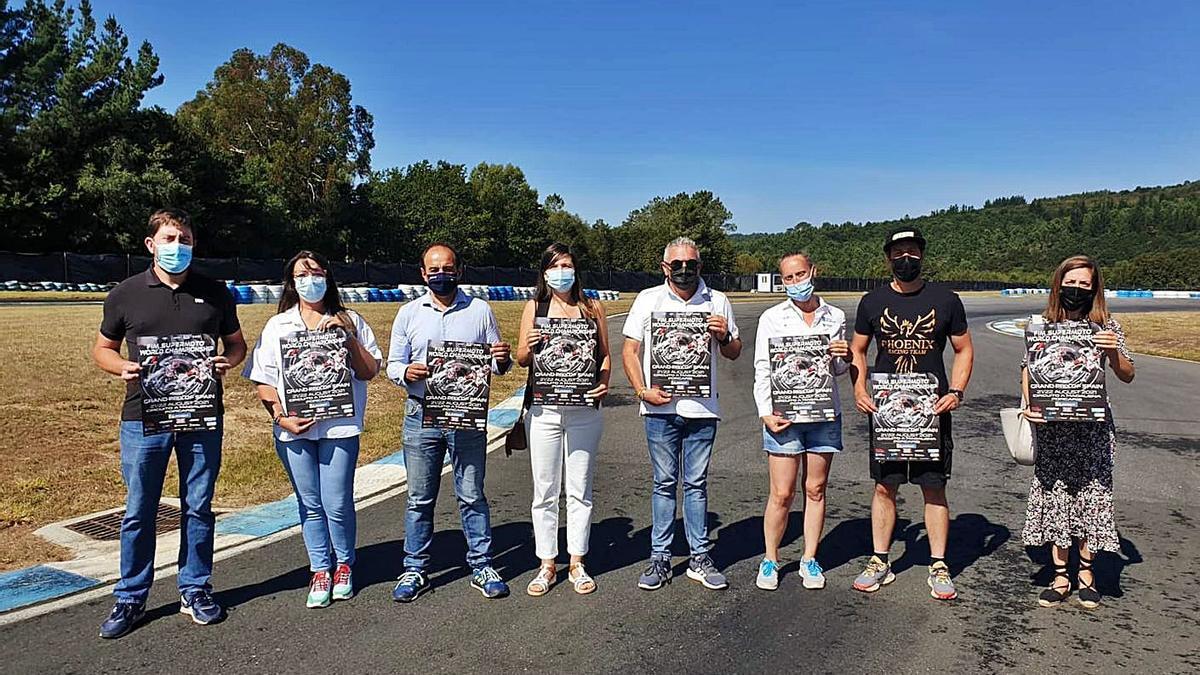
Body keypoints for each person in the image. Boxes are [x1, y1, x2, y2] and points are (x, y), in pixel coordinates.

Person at [92, 208, 246, 639]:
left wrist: (227, 362)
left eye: (185, 239)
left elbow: (237, 345)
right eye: (169, 238)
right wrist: (119, 366)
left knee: (198, 505)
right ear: (151, 244)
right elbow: (102, 349)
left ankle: (195, 588)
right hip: (144, 418)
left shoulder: (215, 293)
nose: (177, 246)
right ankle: (131, 595)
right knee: (140, 509)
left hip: (200, 414)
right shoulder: (125, 293)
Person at [244, 251, 382, 608]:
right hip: (294, 430)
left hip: (339, 428)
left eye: (317, 272)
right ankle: (321, 567)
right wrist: (279, 416)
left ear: (328, 277)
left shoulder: (350, 319)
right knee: (309, 503)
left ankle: (345, 564)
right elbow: (263, 378)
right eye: (302, 275)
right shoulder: (279, 326)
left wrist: (348, 337)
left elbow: (369, 371)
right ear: (291, 282)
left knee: (336, 502)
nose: (310, 280)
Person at [849, 226, 974, 601]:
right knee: (884, 485)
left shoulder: (946, 300)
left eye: (912, 252)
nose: (906, 259)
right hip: (886, 412)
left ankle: (938, 564)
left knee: (933, 486)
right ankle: (880, 560)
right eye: (899, 252)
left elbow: (964, 349)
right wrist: (858, 388)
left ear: (922, 254)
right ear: (888, 257)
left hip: (931, 411)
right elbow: (857, 350)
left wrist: (956, 391)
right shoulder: (871, 302)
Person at [386, 243, 513, 602]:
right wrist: (406, 372)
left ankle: (483, 564)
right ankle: (415, 568)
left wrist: (501, 359)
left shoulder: (480, 310)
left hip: (466, 413)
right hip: (421, 411)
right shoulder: (408, 313)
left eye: (448, 267)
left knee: (472, 494)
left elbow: (495, 365)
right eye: (434, 269)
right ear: (424, 274)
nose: (442, 274)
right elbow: (393, 365)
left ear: (459, 270)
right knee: (418, 498)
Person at [622, 237, 742, 591]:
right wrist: (642, 391)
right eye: (678, 264)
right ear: (665, 267)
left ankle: (699, 557)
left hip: (702, 410)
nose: (685, 269)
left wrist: (723, 336)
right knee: (663, 484)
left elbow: (735, 351)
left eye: (691, 263)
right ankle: (660, 557)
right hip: (659, 409)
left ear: (700, 266)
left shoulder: (718, 300)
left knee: (696, 484)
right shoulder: (648, 299)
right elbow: (630, 350)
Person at [1020, 255, 1134, 609]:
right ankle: (1059, 575)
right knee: (1056, 498)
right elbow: (1028, 369)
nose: (1077, 290)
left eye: (1085, 284)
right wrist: (1028, 404)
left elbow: (1128, 373)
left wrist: (1113, 353)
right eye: (1071, 283)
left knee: (1089, 498)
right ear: (1058, 285)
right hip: (1054, 429)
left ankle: (1086, 572)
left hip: (1092, 430)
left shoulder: (1107, 326)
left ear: (1095, 289)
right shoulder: (1041, 326)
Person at [515, 243, 611, 596]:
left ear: (576, 270)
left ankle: (577, 561)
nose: (562, 272)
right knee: (545, 489)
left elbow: (604, 356)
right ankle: (546, 563)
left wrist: (602, 384)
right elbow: (523, 358)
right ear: (544, 273)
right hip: (544, 410)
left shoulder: (592, 307)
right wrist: (530, 342)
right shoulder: (534, 307)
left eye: (567, 265)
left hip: (584, 410)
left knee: (580, 488)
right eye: (555, 266)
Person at [752, 252, 850, 591]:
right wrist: (765, 411)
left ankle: (810, 558)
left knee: (815, 488)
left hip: (823, 413)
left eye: (800, 274)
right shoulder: (772, 317)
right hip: (785, 414)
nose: (795, 282)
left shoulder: (835, 316)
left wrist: (843, 357)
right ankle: (770, 559)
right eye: (788, 278)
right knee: (781, 493)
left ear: (813, 272)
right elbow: (763, 367)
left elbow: (838, 372)